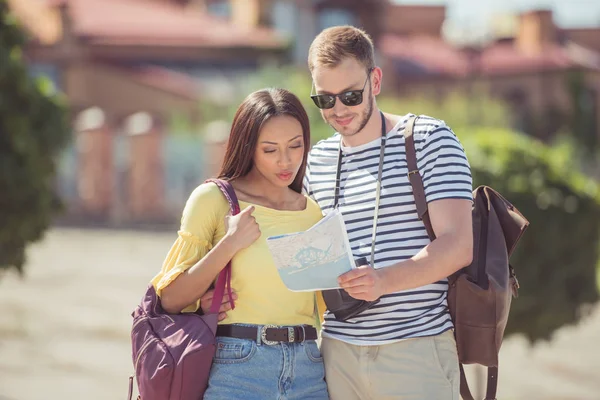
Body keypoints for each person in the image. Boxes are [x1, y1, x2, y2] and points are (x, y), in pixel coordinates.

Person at [304, 26, 474, 399]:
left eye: (350, 95)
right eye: (325, 100)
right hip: (336, 353)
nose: (339, 110)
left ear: (375, 80)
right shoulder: (316, 160)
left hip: (416, 348)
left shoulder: (429, 139)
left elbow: (459, 244)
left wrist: (383, 281)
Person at [150, 88, 329, 400]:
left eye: (295, 146)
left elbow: (324, 307)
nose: (285, 161)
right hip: (238, 367)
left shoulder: (311, 212)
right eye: (270, 150)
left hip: (308, 368)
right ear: (249, 147)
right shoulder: (214, 200)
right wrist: (229, 245)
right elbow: (171, 300)